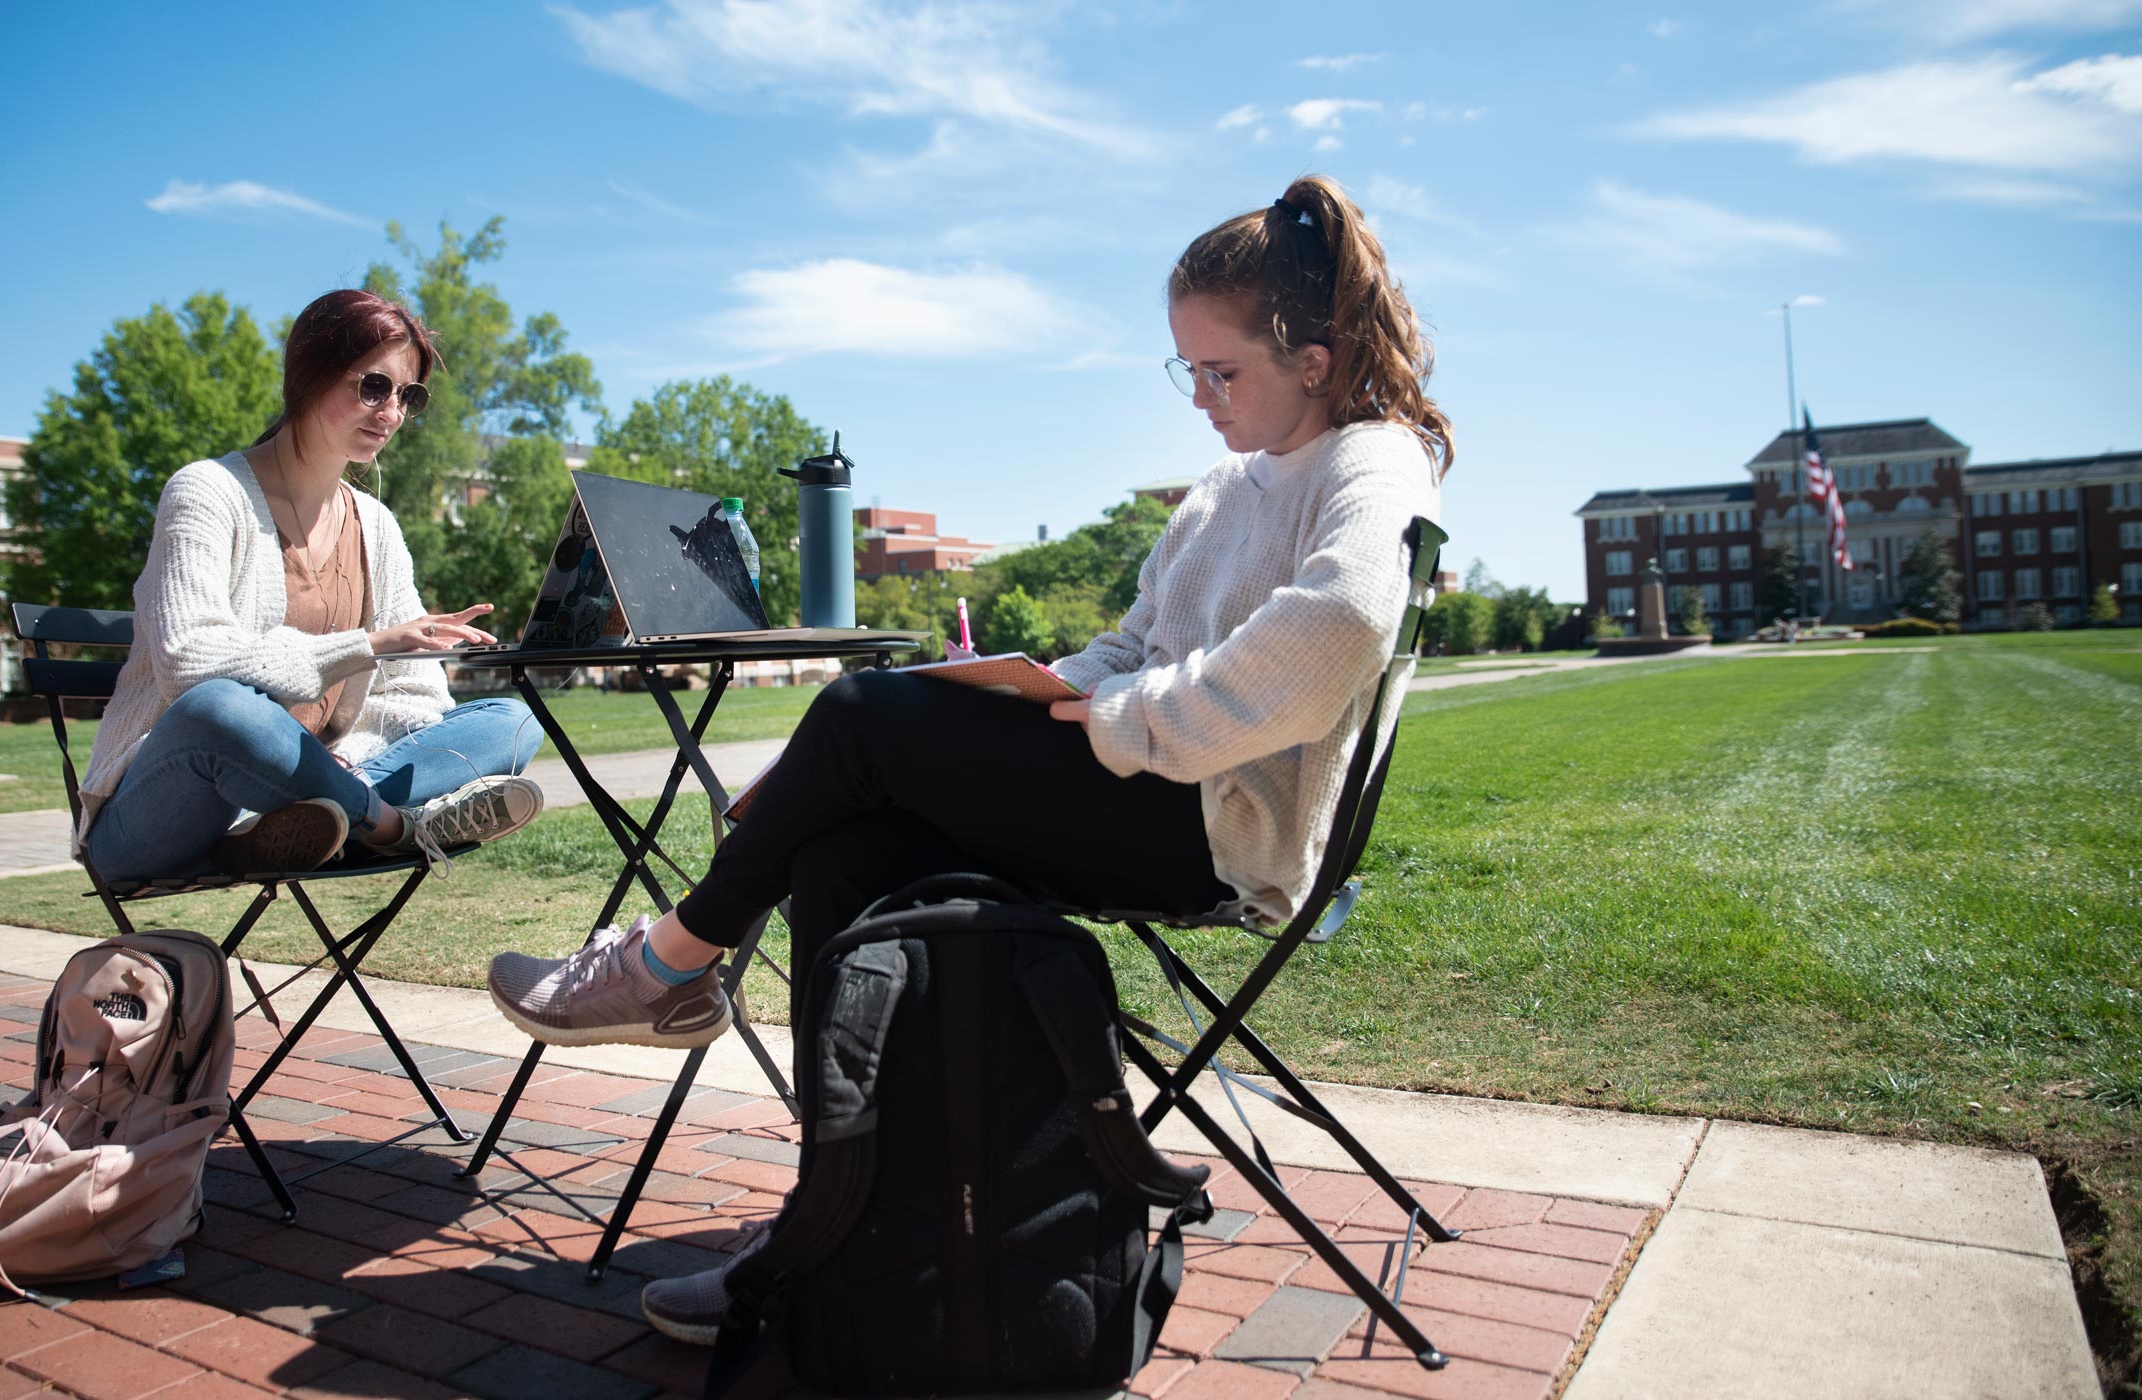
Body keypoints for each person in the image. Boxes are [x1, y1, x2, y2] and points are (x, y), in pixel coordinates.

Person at [488, 175, 1452, 1343]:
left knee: (856, 713)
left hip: (1213, 831)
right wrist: (1047, 686)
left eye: (1221, 370)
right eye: (1183, 371)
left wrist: (1120, 719)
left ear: (1317, 352)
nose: (1198, 397)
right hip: (1140, 786)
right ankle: (835, 1220)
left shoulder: (1371, 459)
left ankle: (670, 961)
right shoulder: (1220, 490)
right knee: (842, 847)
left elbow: (1342, 624)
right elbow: (1133, 645)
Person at [76, 289, 548, 884]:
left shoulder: (376, 527)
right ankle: (393, 827)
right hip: (167, 811)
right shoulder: (205, 492)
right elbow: (188, 662)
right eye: (374, 386)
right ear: (309, 374)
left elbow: (421, 698)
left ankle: (315, 820)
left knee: (513, 722)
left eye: (409, 395)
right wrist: (367, 646)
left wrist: (343, 763)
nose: (393, 413)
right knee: (223, 708)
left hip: (319, 799)